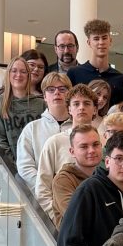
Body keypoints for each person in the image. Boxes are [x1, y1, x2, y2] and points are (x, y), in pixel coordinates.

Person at [37, 85, 97, 216]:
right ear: (69, 109)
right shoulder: (54, 142)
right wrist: (58, 220)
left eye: (87, 103)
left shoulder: (104, 144)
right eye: (76, 104)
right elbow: (42, 188)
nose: (81, 107)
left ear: (95, 109)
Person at [16, 73, 72, 191]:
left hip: (73, 195)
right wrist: (46, 187)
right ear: (45, 96)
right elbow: (25, 167)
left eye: (62, 89)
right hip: (40, 197)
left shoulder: (79, 129)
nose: (57, 93)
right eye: (51, 89)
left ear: (69, 95)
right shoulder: (31, 129)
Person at [0, 57, 44, 170]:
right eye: (14, 71)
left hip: (39, 166)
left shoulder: (41, 104)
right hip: (13, 168)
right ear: (8, 74)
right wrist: (14, 164)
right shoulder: (0, 102)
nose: (18, 75)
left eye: (23, 71)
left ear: (28, 76)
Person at [50, 123, 103, 227]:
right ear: (72, 152)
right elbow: (77, 216)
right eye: (84, 146)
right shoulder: (63, 180)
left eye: (96, 144)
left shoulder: (107, 175)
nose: (91, 150)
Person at [68, 18, 123, 103]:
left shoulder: (121, 79)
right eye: (96, 39)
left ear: (110, 41)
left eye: (104, 38)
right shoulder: (74, 73)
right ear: (89, 43)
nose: (101, 42)